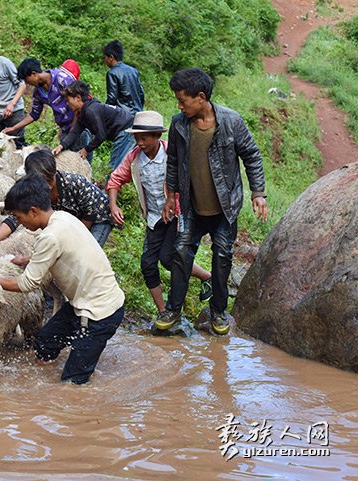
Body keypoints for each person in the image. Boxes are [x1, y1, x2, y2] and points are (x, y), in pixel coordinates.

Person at [158, 67, 268, 335]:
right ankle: (174, 309)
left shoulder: (231, 121)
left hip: (224, 209)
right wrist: (171, 196)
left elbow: (252, 155)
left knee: (222, 258)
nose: (179, 105)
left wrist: (258, 193)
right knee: (181, 254)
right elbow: (172, 161)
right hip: (191, 207)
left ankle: (219, 312)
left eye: (183, 100)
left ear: (201, 97)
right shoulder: (179, 124)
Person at [0, 174, 125, 385]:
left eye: (19, 217)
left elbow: (28, 283)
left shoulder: (49, 236)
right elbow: (59, 252)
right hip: (85, 302)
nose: (19, 223)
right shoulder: (63, 218)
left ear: (34, 211)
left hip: (99, 313)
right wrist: (30, 259)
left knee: (72, 382)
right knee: (45, 343)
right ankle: (40, 378)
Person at [106, 110, 212, 315]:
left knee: (168, 258)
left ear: (157, 136)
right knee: (147, 264)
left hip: (177, 215)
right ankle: (163, 311)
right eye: (136, 138)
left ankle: (203, 280)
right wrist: (113, 205)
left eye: (144, 138)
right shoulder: (134, 159)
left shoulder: (172, 155)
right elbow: (115, 180)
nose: (140, 143)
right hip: (154, 218)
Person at [0, 148, 114, 258]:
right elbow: (14, 218)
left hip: (97, 217)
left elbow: (89, 215)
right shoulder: (34, 189)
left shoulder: (74, 183)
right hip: (70, 220)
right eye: (42, 181)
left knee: (86, 253)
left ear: (54, 173)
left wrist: (73, 242)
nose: (47, 186)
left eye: (49, 180)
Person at [6, 58, 90, 155]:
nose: (27, 83)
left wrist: (73, 130)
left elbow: (80, 104)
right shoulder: (38, 92)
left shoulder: (62, 80)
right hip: (65, 128)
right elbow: (34, 114)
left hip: (79, 126)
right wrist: (13, 128)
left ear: (34, 74)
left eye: (26, 79)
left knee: (81, 161)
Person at [54, 80, 134, 162]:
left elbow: (101, 135)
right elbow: (75, 132)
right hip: (125, 129)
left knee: (116, 166)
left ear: (78, 98)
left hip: (126, 130)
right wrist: (62, 146)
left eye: (68, 100)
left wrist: (86, 149)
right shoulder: (83, 112)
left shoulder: (91, 111)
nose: (67, 103)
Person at [104, 40, 145, 169]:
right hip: (138, 118)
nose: (105, 61)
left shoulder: (112, 73)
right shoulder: (133, 71)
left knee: (116, 162)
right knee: (133, 159)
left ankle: (110, 186)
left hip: (123, 120)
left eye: (105, 57)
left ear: (111, 57)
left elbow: (111, 99)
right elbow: (141, 94)